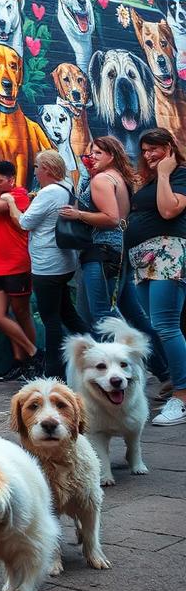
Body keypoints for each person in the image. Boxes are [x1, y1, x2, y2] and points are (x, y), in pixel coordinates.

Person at [0, 150, 86, 378]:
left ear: (47, 169)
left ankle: (54, 372)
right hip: (64, 262)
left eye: (37, 166)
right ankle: (95, 352)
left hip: (47, 264)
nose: (35, 170)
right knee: (69, 314)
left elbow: (25, 222)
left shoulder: (49, 193)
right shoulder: (66, 188)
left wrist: (10, 202)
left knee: (51, 320)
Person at [126, 129, 186, 428]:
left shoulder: (180, 174)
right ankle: (178, 384)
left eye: (156, 149)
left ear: (170, 148)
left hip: (168, 251)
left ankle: (182, 395)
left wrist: (164, 173)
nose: (149, 155)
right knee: (157, 325)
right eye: (146, 150)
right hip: (144, 257)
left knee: (167, 325)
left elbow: (168, 209)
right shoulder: (148, 179)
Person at [0, 160, 44, 381]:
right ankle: (31, 355)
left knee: (21, 314)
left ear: (11, 180)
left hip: (17, 263)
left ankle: (25, 362)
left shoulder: (19, 195)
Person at [59, 136, 132, 333]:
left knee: (101, 314)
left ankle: (118, 357)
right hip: (117, 249)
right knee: (131, 313)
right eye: (91, 152)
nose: (92, 156)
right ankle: (156, 362)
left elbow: (112, 218)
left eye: (98, 152)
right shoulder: (117, 177)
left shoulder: (102, 179)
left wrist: (78, 214)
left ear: (112, 155)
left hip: (101, 250)